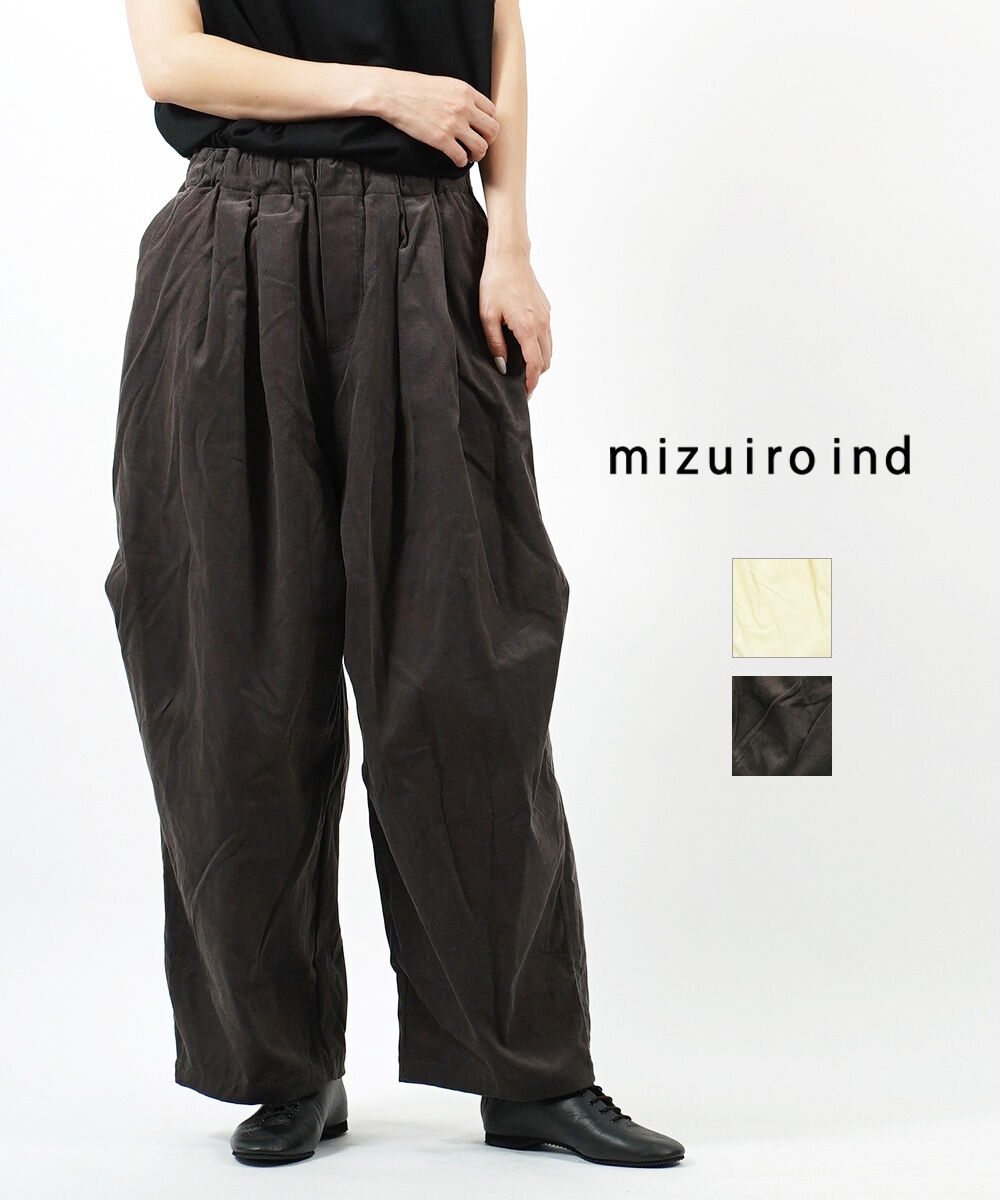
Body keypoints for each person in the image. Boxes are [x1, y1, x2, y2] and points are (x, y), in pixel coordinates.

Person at [105, 0, 686, 1170]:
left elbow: (499, 37)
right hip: (229, 246)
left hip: (430, 244)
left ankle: (529, 1073)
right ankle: (280, 1067)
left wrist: (509, 242)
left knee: (469, 668)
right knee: (232, 670)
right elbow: (172, 59)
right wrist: (380, 90)